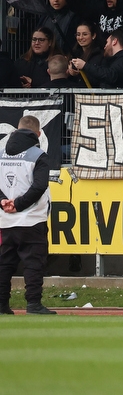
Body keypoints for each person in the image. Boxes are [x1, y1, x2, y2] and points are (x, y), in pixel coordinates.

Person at [0, 116, 55, 315]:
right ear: (38, 134)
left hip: (5, 220)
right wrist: (19, 205)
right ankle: (33, 304)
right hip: (32, 219)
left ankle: (2, 305)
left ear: (17, 130)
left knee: (4, 264)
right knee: (34, 264)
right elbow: (40, 185)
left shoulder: (0, 153)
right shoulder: (38, 155)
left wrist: (4, 202)